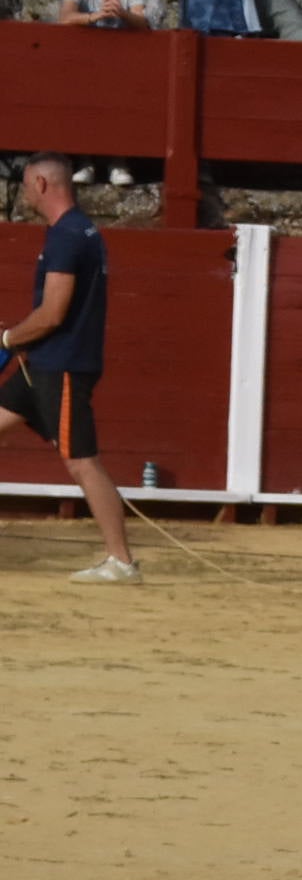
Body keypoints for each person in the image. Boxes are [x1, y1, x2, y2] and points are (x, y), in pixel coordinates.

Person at [0, 155, 139, 583]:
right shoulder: (84, 231)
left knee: (82, 462)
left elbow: (53, 313)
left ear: (42, 183)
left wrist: (6, 340)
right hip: (41, 364)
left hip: (58, 367)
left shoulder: (65, 237)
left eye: (26, 186)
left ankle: (122, 562)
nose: (24, 195)